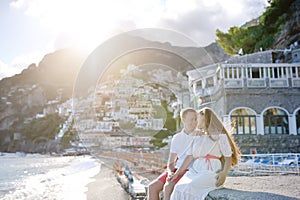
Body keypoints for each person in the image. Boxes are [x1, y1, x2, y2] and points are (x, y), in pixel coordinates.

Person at [168, 107, 241, 200]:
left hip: (211, 170)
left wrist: (223, 174)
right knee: (178, 187)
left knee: (190, 186)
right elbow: (189, 157)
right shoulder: (196, 136)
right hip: (195, 171)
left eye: (197, 118)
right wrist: (176, 174)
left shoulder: (220, 136)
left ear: (204, 118)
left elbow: (228, 157)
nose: (195, 121)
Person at [147, 107, 198, 200]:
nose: (194, 122)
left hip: (188, 170)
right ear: (183, 120)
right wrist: (170, 172)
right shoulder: (177, 138)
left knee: (168, 186)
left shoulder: (199, 136)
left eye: (196, 119)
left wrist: (175, 174)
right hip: (176, 170)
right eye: (191, 119)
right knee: (152, 187)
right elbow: (171, 162)